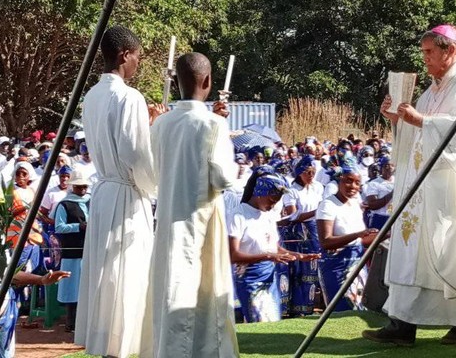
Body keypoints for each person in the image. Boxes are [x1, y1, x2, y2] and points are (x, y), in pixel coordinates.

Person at [362, 24, 456, 346]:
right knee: (408, 252)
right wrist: (396, 119)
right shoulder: (432, 90)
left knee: (449, 253)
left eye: (430, 52)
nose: (425, 59)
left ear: (450, 50)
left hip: (450, 190)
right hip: (420, 189)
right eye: (424, 53)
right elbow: (416, 135)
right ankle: (402, 325)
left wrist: (422, 121)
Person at [143, 52, 239, 358]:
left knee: (173, 288)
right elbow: (223, 177)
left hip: (169, 214)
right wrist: (224, 134)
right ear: (208, 82)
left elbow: (156, 172)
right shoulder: (214, 124)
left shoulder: (161, 123)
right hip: (201, 216)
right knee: (200, 291)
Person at [75, 26, 156, 358]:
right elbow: (135, 153)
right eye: (137, 56)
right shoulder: (129, 96)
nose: (138, 64)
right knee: (126, 275)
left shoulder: (92, 95)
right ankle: (119, 350)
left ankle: (108, 346)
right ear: (125, 54)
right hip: (126, 193)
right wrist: (153, 184)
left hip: (106, 191)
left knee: (108, 277)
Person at [228, 167, 320, 323]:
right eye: (271, 200)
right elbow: (233, 255)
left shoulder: (268, 215)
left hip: (270, 277)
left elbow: (274, 247)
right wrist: (268, 256)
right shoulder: (238, 215)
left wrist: (299, 256)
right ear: (259, 193)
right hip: (250, 278)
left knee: (272, 321)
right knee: (259, 322)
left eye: (277, 201)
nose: (273, 205)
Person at [316, 159, 377, 311]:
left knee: (359, 309)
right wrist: (358, 234)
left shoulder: (354, 204)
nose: (353, 187)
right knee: (342, 309)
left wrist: (385, 234)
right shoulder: (328, 205)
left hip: (357, 264)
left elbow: (361, 240)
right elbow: (326, 242)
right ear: (339, 181)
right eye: (349, 181)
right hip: (336, 266)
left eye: (357, 183)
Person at [281, 155, 323, 316]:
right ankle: (294, 307)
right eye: (308, 172)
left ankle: (308, 305)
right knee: (298, 270)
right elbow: (292, 216)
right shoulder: (291, 191)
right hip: (297, 232)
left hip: (314, 230)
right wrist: (316, 211)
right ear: (299, 173)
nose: (311, 175)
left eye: (313, 171)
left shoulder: (318, 187)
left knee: (312, 269)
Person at [54, 170, 91, 333]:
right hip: (72, 250)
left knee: (87, 285)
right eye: (79, 186)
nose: (82, 189)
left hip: (89, 249)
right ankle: (71, 321)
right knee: (71, 286)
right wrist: (79, 226)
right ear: (73, 187)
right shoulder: (64, 204)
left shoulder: (92, 201)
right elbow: (59, 227)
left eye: (84, 186)